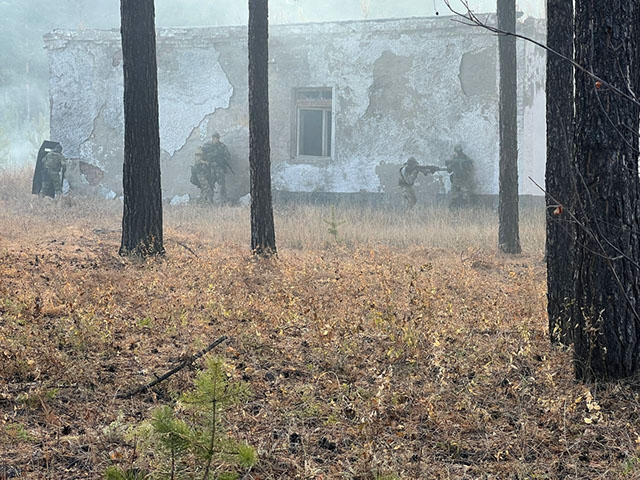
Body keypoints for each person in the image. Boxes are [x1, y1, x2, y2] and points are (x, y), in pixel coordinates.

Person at [201, 132, 233, 203]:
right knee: (210, 184)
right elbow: (203, 157)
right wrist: (210, 162)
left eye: (218, 138)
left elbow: (227, 156)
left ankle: (223, 201)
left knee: (222, 184)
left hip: (219, 168)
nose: (218, 139)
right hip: (210, 169)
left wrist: (222, 161)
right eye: (216, 138)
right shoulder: (207, 146)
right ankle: (209, 201)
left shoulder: (222, 146)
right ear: (213, 138)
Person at [445, 144, 475, 209]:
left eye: (460, 151)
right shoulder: (453, 158)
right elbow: (449, 170)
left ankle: (467, 210)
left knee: (466, 197)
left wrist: (465, 165)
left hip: (464, 180)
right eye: (457, 151)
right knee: (454, 197)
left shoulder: (465, 158)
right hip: (455, 180)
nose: (459, 152)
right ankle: (453, 210)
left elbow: (471, 169)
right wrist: (452, 164)